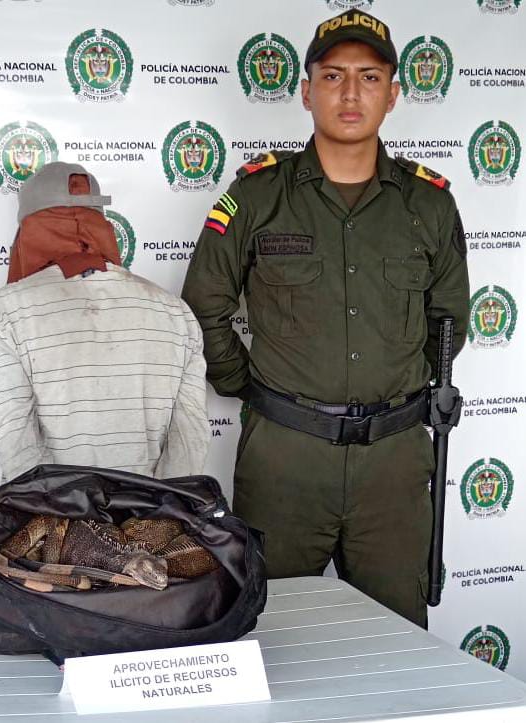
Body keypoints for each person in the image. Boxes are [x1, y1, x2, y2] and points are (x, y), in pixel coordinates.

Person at [181, 11, 469, 627]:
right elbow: (204, 303)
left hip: (393, 465)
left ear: (393, 94)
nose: (349, 93)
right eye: (332, 75)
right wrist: (243, 382)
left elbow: (448, 320)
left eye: (369, 77)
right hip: (286, 459)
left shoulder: (429, 204)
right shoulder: (258, 197)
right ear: (306, 90)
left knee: (397, 640)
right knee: (270, 635)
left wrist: (393, 396)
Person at [0, 161, 209, 482]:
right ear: (101, 225)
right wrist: (161, 516)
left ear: (30, 231)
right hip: (151, 519)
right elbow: (189, 442)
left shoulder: (7, 311)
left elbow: (16, 443)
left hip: (53, 521)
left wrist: (56, 525)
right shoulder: (174, 311)